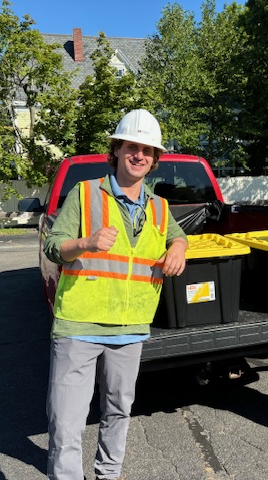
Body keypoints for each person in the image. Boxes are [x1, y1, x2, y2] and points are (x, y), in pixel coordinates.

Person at [44, 109, 188, 480]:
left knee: (118, 411)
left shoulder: (159, 206)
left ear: (155, 160)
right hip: (79, 323)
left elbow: (178, 236)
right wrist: (85, 242)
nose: (138, 155)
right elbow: (54, 246)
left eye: (147, 150)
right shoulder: (86, 192)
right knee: (66, 421)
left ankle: (108, 475)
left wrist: (178, 249)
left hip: (130, 327)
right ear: (117, 149)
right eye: (131, 146)